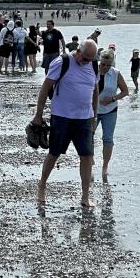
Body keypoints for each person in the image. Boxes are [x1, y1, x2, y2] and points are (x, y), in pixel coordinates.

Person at [31, 39, 99, 207]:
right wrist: (38, 115)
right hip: (62, 117)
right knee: (54, 153)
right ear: (78, 52)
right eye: (84, 58)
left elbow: (95, 91)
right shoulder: (62, 62)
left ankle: (85, 196)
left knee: (87, 156)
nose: (86, 62)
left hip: (84, 119)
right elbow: (45, 88)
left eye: (90, 60)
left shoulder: (94, 66)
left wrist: (94, 116)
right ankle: (42, 185)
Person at [94, 49, 129, 181]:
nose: (105, 67)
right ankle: (90, 161)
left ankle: (105, 167)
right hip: (93, 110)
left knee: (108, 139)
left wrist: (113, 98)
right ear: (99, 61)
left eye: (108, 65)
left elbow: (125, 91)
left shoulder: (115, 74)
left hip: (110, 110)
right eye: (103, 64)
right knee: (88, 136)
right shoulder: (92, 71)